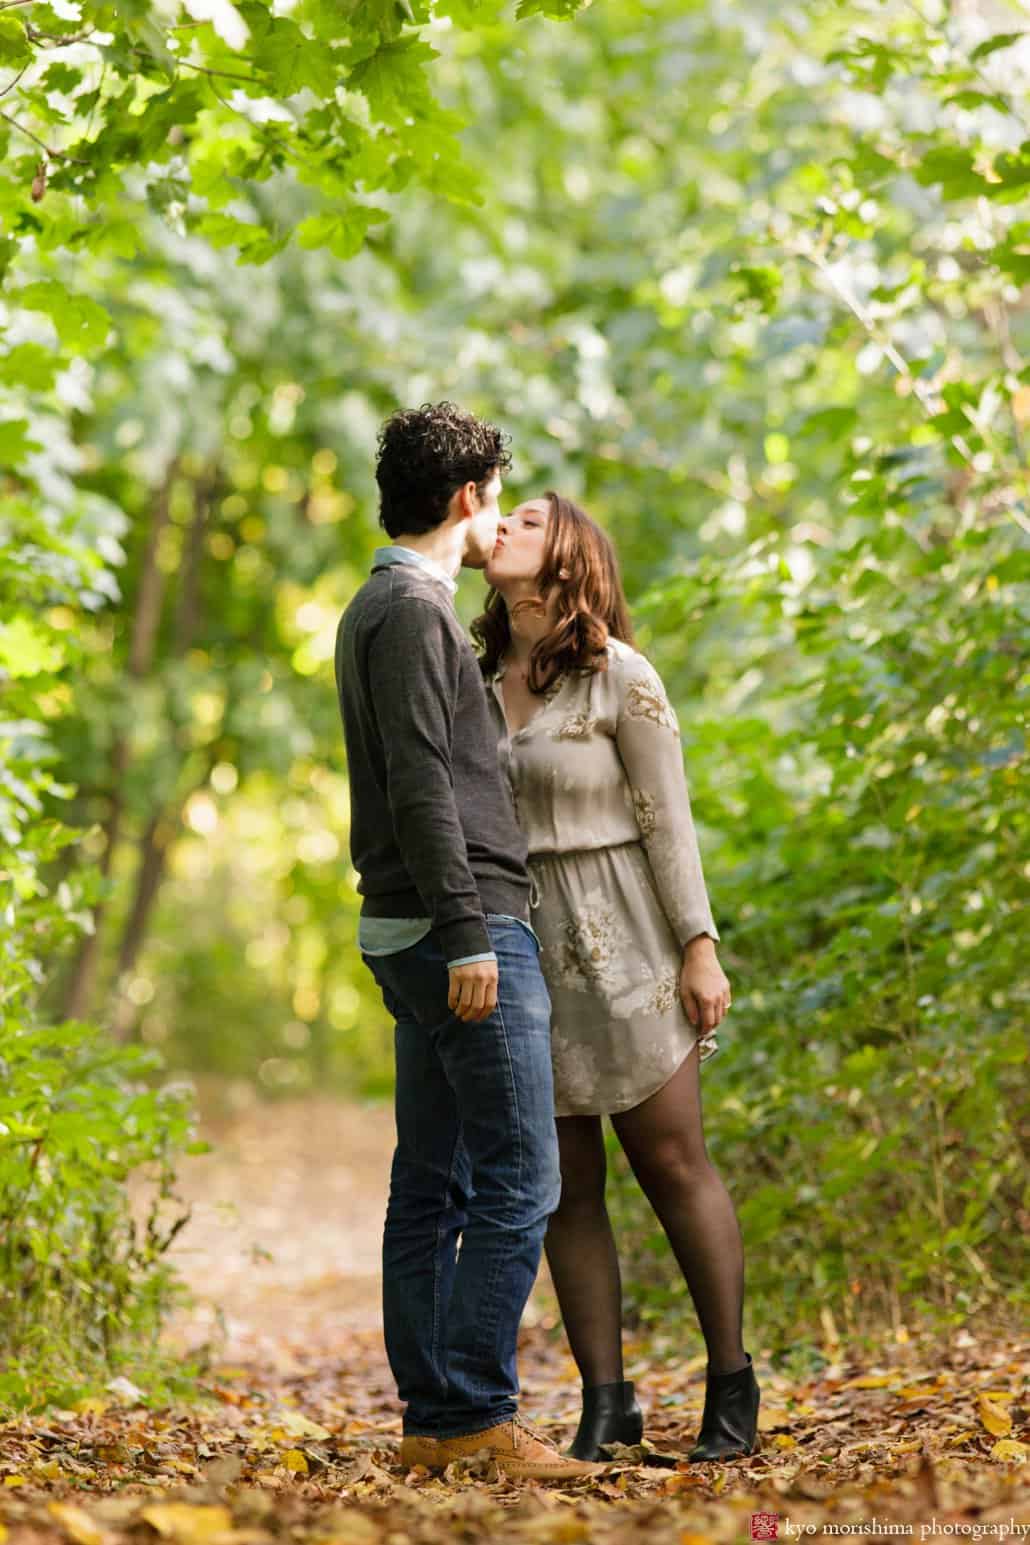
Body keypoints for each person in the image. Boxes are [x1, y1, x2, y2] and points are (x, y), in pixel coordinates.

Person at [333, 406, 605, 1483]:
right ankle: (473, 1416)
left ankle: (436, 1424)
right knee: (521, 1179)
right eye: (502, 493)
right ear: (468, 498)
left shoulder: (389, 608)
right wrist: (466, 936)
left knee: (433, 1182)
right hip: (462, 924)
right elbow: (419, 786)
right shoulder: (409, 612)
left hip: (431, 922)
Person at [474, 490, 762, 1463]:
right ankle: (607, 1403)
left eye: (523, 518)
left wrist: (700, 942)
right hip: (523, 952)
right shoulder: (468, 681)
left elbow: (665, 817)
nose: (499, 526)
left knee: (673, 1164)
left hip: (631, 944)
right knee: (565, 1189)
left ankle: (732, 1385)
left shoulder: (617, 677)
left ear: (567, 555)